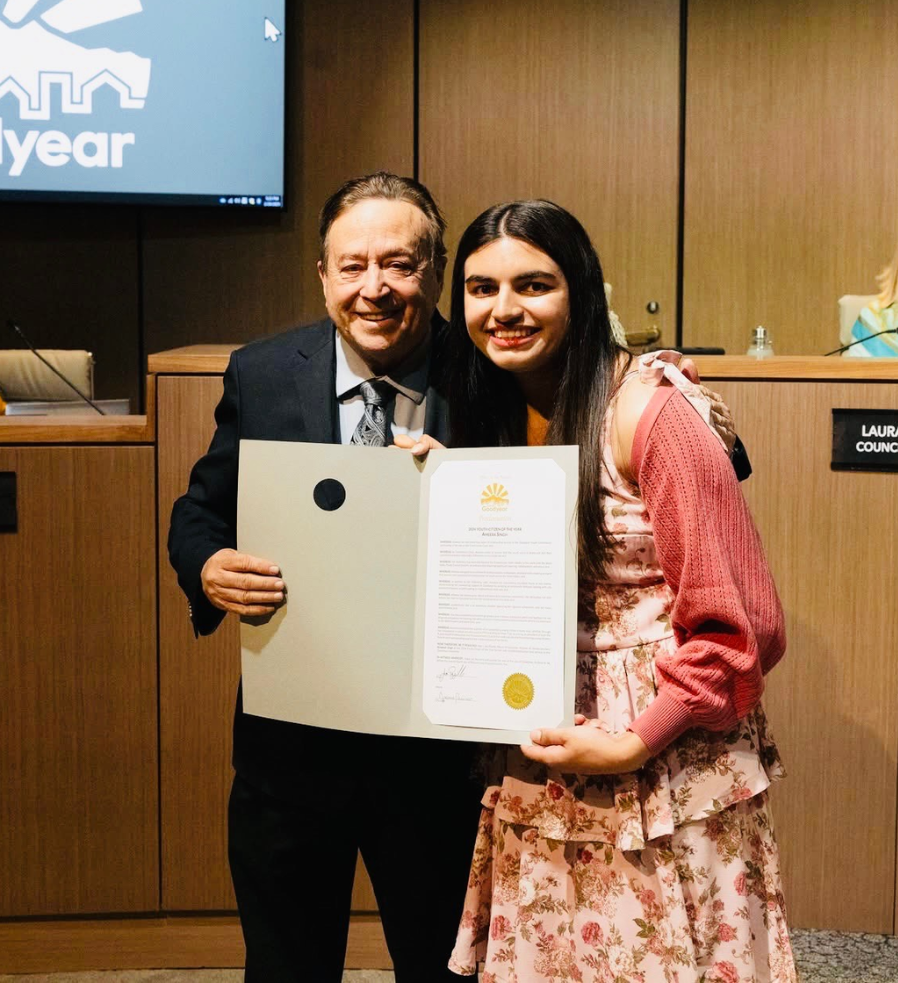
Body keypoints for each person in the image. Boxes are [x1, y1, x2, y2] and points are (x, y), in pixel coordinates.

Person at [169, 173, 749, 982]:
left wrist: (661, 382)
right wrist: (208, 566)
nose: (375, 288)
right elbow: (199, 511)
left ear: (435, 272)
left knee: (445, 965)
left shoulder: (490, 366)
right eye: (352, 266)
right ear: (323, 275)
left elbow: (620, 421)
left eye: (401, 265)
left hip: (441, 751)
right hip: (290, 744)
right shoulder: (263, 372)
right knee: (284, 964)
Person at [409, 200, 796, 981]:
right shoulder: (491, 406)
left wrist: (632, 741)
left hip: (660, 758)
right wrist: (441, 485)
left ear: (581, 292)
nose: (505, 310)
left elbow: (740, 624)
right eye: (481, 289)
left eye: (533, 285)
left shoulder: (650, 410)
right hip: (543, 744)